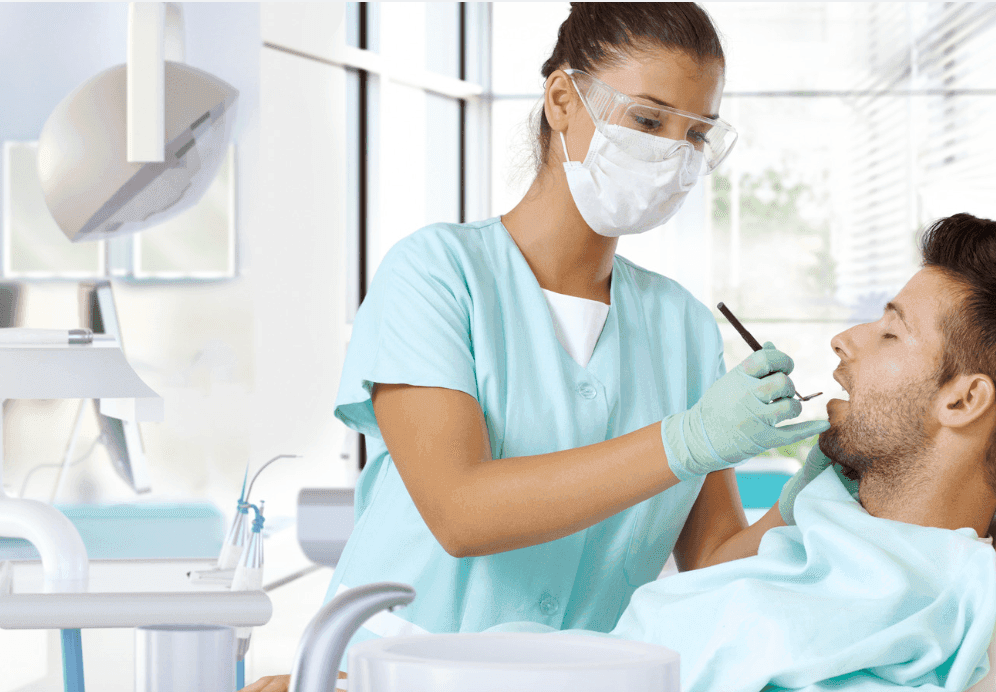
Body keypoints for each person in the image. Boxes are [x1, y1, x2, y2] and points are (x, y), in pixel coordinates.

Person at [243, 3, 826, 691]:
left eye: (696, 133)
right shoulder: (435, 274)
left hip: (569, 679)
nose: (673, 152)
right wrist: (686, 441)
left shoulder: (683, 326)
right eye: (648, 119)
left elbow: (713, 562)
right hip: (389, 670)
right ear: (561, 100)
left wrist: (811, 493)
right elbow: (461, 513)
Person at [484, 214, 996, 692]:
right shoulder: (834, 520)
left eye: (892, 332)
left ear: (962, 401)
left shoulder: (913, 607)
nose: (844, 341)